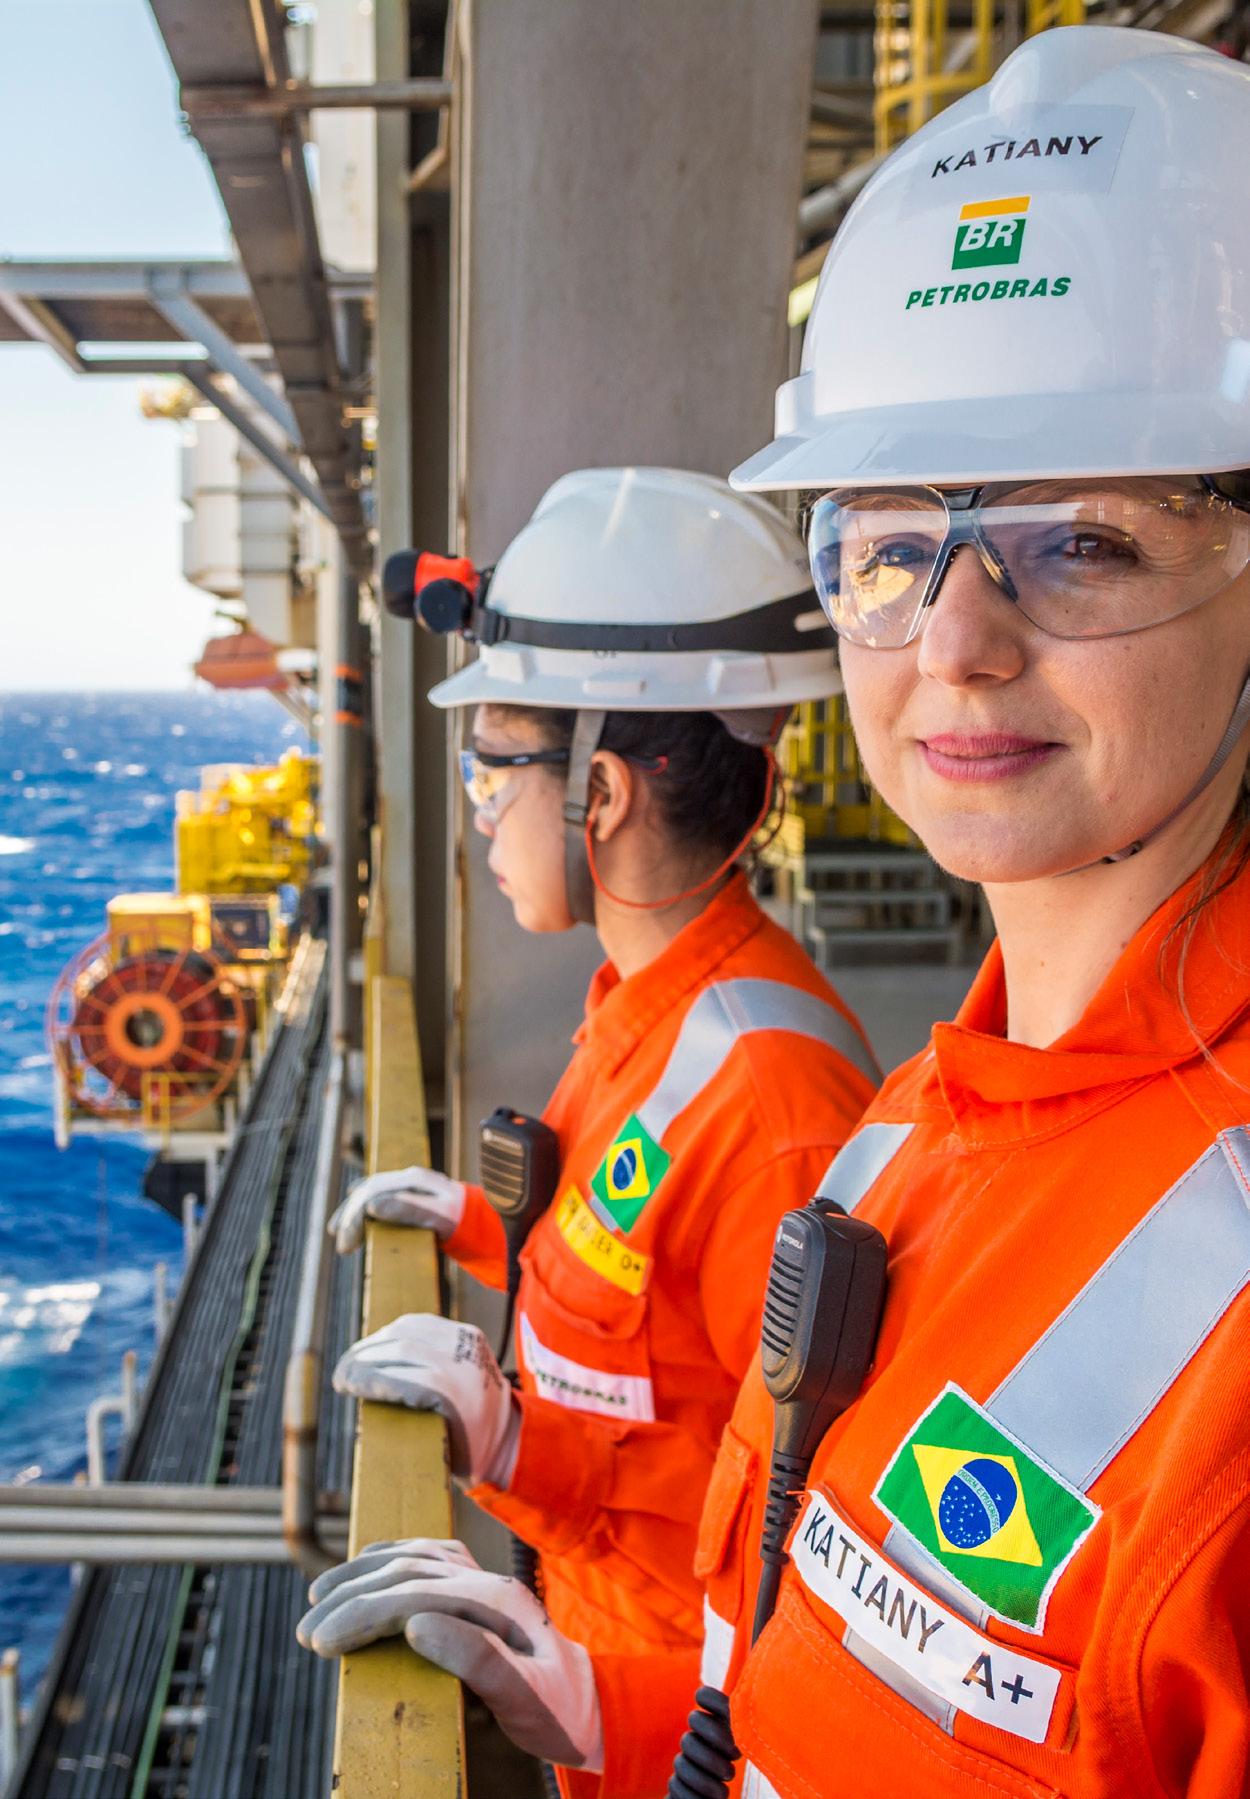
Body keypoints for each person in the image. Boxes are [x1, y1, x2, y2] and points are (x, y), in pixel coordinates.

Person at [307, 29, 1250, 1795]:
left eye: (1086, 540)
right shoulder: (909, 1138)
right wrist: (601, 1702)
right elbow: (800, 1681)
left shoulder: (823, 1114)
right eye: (886, 547)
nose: (955, 640)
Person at [297, 467, 881, 1782]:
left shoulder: (770, 1113)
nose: (478, 814)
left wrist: (583, 1680)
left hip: (679, 1733)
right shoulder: (648, 1012)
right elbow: (636, 1300)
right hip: (605, 1669)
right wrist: (474, 1226)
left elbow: (809, 1579)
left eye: (488, 768)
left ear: (598, 794)